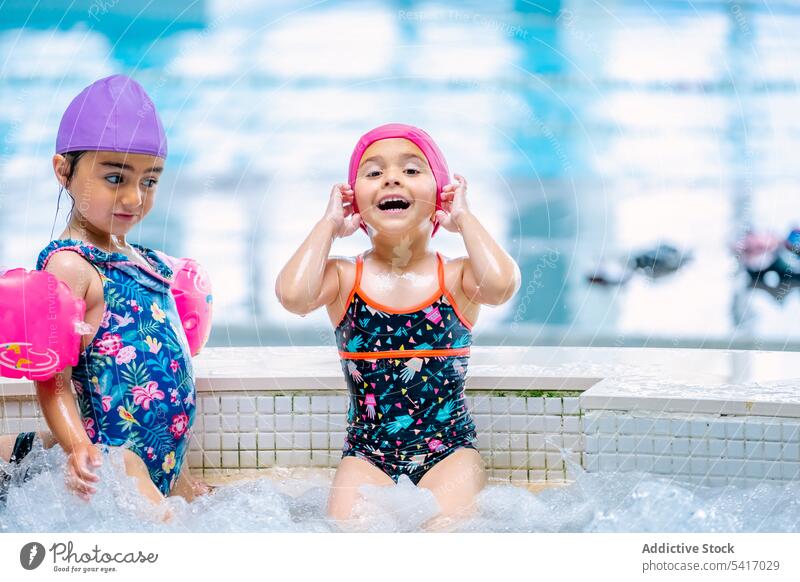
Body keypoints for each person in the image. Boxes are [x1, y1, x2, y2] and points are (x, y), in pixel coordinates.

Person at [275, 123, 520, 521]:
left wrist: (465, 219)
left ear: (440, 194)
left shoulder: (456, 277)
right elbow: (292, 295)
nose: (391, 178)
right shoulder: (344, 278)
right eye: (373, 173)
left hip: (450, 452)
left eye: (411, 170)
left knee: (444, 534)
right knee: (348, 538)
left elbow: (502, 284)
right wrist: (329, 226)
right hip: (367, 455)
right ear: (356, 202)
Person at [31, 74, 206, 508]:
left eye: (149, 181)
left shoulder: (147, 262)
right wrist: (77, 448)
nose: (134, 197)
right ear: (64, 171)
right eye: (115, 178)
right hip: (113, 458)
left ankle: (22, 451)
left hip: (162, 462)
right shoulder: (71, 265)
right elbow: (50, 380)